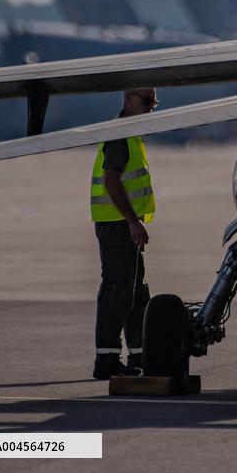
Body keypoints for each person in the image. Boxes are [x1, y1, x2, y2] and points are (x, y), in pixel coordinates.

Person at [90, 88, 158, 380]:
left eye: (154, 102)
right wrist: (132, 220)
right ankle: (106, 358)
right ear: (128, 99)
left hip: (125, 222)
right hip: (117, 222)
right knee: (118, 289)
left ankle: (140, 354)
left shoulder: (132, 134)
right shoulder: (120, 134)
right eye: (146, 101)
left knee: (135, 290)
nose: (151, 108)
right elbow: (112, 182)